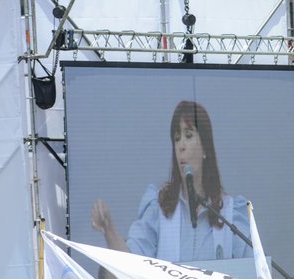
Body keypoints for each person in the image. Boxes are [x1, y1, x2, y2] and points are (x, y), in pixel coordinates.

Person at [92, 100, 251, 263]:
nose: (180, 145)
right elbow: (131, 263)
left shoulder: (231, 214)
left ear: (205, 148)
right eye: (176, 138)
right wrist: (108, 229)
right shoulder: (159, 207)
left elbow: (253, 274)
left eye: (188, 136)